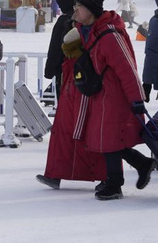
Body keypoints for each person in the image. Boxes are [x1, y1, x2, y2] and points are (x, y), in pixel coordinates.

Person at [71, 0, 157, 201]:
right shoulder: (90, 30)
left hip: (116, 95)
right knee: (102, 137)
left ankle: (115, 182)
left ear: (90, 11)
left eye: (79, 7)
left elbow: (127, 68)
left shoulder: (109, 35)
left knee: (107, 137)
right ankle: (140, 164)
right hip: (102, 93)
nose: (75, 11)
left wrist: (136, 99)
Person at [36, 24, 107, 191]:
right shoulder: (74, 61)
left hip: (75, 106)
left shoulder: (79, 63)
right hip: (69, 105)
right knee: (65, 139)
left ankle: (108, 176)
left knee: (81, 139)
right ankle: (54, 174)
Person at [43, 0, 80, 103]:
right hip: (86, 74)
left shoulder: (63, 22)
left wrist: (49, 71)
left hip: (66, 72)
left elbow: (55, 49)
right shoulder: (86, 18)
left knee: (67, 108)